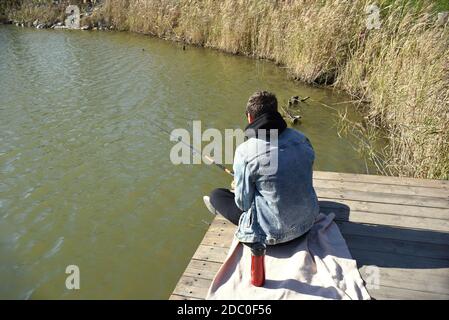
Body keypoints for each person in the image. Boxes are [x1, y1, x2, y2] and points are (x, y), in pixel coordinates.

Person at [203, 91, 319, 246]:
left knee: (216, 195)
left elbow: (243, 205)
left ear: (250, 117)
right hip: (308, 223)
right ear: (276, 113)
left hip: (272, 234)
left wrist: (239, 183)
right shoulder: (302, 139)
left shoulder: (245, 151)